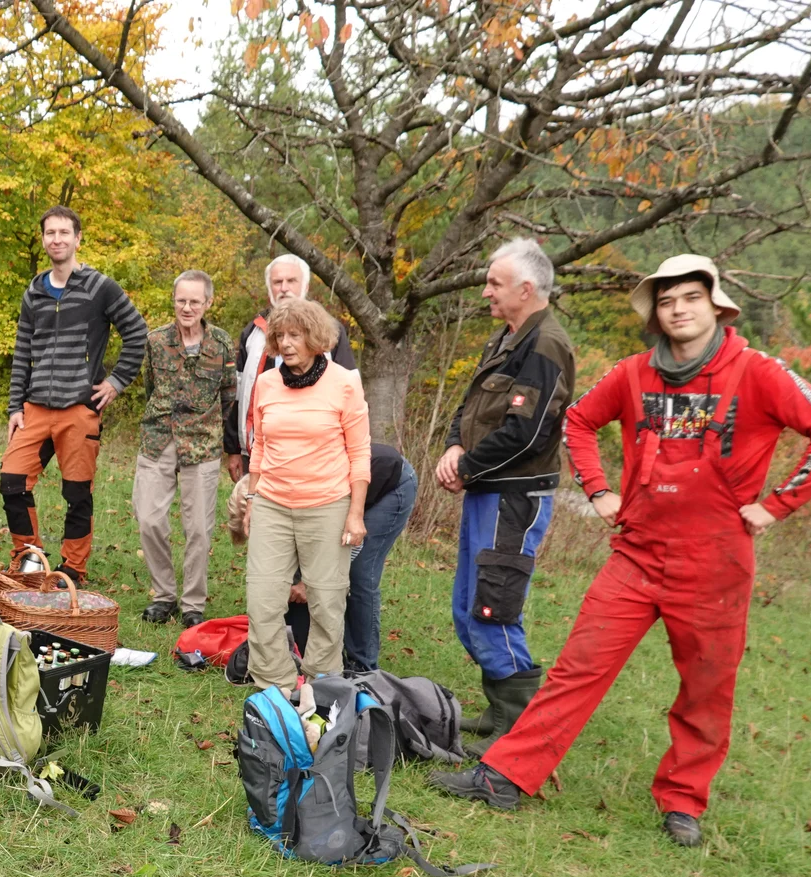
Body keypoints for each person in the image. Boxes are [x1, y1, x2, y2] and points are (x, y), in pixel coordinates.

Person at [429, 254, 811, 847]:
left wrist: (778, 504)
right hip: (636, 555)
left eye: (690, 298)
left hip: (716, 562)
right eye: (666, 301)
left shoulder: (758, 372)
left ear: (715, 306)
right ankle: (506, 775)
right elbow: (579, 420)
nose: (678, 309)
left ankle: (683, 801)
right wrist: (599, 489)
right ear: (655, 314)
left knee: (706, 687)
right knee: (579, 669)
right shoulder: (634, 374)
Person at [432, 238, 576, 748]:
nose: (486, 290)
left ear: (526, 288)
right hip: (485, 489)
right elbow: (471, 405)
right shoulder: (506, 338)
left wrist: (466, 466)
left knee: (492, 607)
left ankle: (519, 730)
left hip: (513, 498)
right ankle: (500, 714)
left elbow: (528, 432)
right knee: (468, 605)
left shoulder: (545, 346)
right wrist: (453, 447)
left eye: (495, 282)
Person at [1, 205, 149, 585]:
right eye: (50, 233)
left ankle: (73, 569)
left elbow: (137, 333)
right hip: (34, 409)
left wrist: (116, 382)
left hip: (79, 410)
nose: (57, 239)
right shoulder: (34, 290)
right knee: (12, 481)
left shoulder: (101, 288)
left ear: (78, 238)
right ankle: (29, 560)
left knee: (77, 493)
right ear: (44, 239)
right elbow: (22, 351)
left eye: (64, 233)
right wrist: (15, 405)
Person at [240, 299, 371, 693]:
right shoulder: (265, 383)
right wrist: (251, 498)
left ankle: (321, 685)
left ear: (316, 338)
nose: (287, 342)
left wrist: (356, 514)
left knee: (327, 605)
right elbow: (259, 445)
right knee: (262, 601)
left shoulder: (345, 383)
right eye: (280, 335)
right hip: (272, 505)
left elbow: (360, 453)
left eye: (295, 334)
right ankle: (274, 686)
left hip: (328, 506)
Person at [134, 270, 235, 627]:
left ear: (207, 303)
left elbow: (228, 395)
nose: (187, 307)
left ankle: (193, 603)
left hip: (203, 443)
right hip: (158, 438)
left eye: (194, 301)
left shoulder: (221, 343)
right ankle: (163, 596)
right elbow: (150, 386)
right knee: (148, 518)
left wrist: (210, 430)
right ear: (173, 300)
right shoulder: (156, 340)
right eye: (181, 300)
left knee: (199, 529)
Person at [283, 442, 418, 673]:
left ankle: (363, 666)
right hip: (353, 488)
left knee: (360, 574)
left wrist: (307, 583)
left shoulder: (318, 491)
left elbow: (350, 543)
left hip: (391, 483)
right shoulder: (282, 489)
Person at [225, 254, 356, 482]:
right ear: (270, 289)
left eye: (291, 281)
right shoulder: (253, 332)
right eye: (277, 282)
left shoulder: (331, 331)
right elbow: (238, 394)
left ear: (305, 285)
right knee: (254, 514)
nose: (284, 288)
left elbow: (352, 394)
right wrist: (234, 448)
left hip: (316, 455)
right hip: (258, 451)